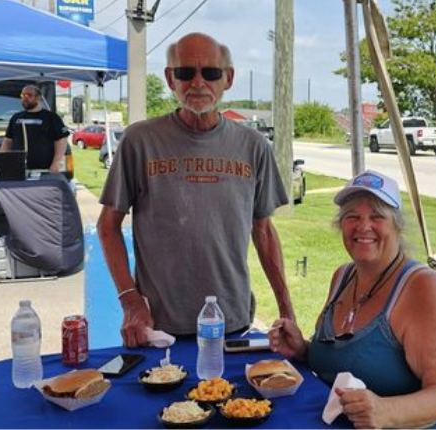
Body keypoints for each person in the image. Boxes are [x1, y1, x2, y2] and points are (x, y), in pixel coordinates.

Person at [98, 32, 295, 347]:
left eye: (211, 73)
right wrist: (130, 300)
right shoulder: (140, 142)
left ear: (227, 79)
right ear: (170, 79)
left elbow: (264, 231)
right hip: (159, 327)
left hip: (231, 321)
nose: (198, 83)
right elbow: (107, 226)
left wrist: (287, 309)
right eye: (185, 72)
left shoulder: (254, 147)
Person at [268, 170, 436, 429]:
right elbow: (347, 363)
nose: (363, 227)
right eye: (352, 217)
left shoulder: (424, 287)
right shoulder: (343, 276)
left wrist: (385, 411)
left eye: (377, 216)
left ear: (397, 225)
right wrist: (303, 350)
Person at [0, 84, 70, 174]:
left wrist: (55, 163)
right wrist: (2, 162)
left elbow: (62, 140)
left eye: (28, 95)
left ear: (38, 98)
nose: (25, 98)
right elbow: (7, 141)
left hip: (44, 170)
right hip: (18, 170)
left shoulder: (51, 117)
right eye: (22, 95)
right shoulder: (16, 118)